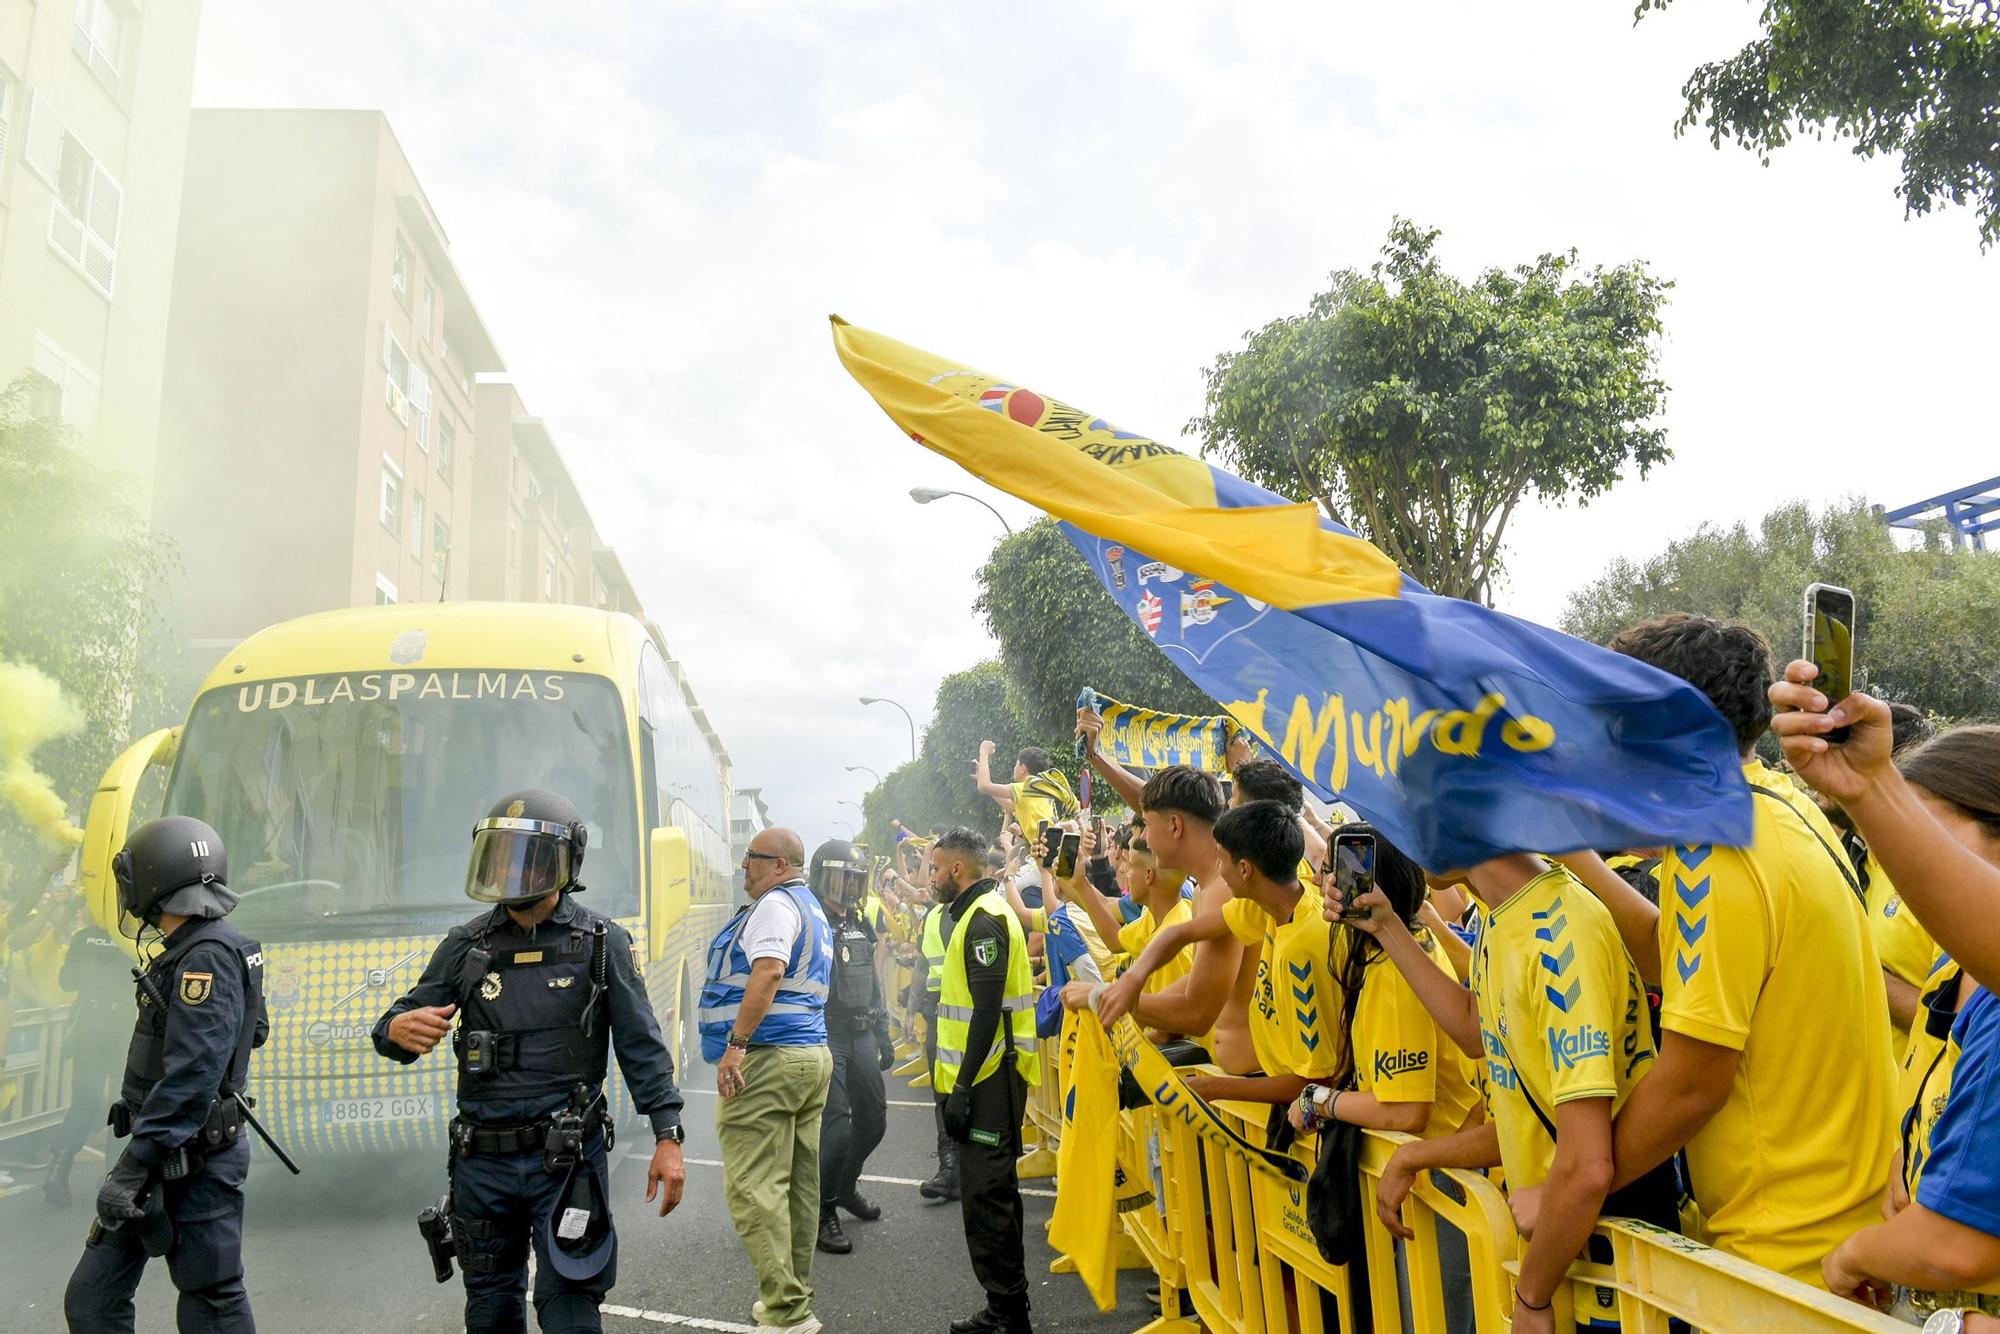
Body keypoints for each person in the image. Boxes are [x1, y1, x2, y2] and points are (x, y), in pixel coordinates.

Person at [1581, 614, 1895, 1288]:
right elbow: (1681, 963)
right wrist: (1578, 857)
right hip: (1836, 1240)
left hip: (1780, 1256)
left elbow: (1693, 1083)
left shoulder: (1711, 849)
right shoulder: (1776, 805)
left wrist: (1573, 1184)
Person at [373, 790, 687, 1334]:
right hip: (481, 1164)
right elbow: (404, 1018)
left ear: (565, 862)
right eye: (500, 857)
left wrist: (668, 1135)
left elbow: (642, 1046)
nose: (511, 873)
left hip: (564, 1162)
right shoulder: (466, 945)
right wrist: (392, 1029)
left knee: (569, 1307)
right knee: (491, 1311)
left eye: (528, 858)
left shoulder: (600, 943)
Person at [1356, 851, 1660, 1334]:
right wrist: (1388, 927)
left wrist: (1532, 1297)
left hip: (1609, 1275)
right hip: (1563, 1259)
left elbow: (1586, 1165)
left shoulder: (1561, 932)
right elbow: (1477, 1032)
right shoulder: (1505, 916)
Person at [1811, 727, 2000, 1320]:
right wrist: (1911, 1155)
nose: (1902, 859)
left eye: (1926, 832)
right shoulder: (1951, 966)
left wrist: (1854, 1255)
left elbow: (1956, 1248)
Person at [63, 816, 269, 1334]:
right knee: (92, 1300)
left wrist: (132, 1169)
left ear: (153, 880)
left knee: (211, 1302)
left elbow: (193, 1076)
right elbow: (256, 1030)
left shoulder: (206, 957)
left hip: (190, 1158)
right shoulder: (207, 949)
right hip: (159, 1148)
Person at [1295, 825, 1480, 1334]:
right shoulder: (1391, 949)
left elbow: (1405, 1110)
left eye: (1336, 871)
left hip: (1439, 1181)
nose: (1323, 880)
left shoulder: (1395, 971)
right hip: (1427, 1173)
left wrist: (1319, 1102)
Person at [1097, 801, 1340, 1108]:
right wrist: (1132, 980)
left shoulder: (1303, 947)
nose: (1217, 873)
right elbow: (1182, 933)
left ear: (1245, 869)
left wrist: (1216, 1088)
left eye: (1221, 862)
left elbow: (1314, 1082)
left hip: (1293, 1108)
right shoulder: (1267, 903)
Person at [699, 826, 834, 1334]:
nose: (743, 867)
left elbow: (770, 970)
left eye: (751, 858)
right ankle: (790, 1300)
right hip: (807, 1056)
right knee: (797, 1186)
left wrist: (736, 1045)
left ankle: (786, 1311)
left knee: (754, 1185)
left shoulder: (776, 907)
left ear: (780, 863)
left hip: (769, 1059)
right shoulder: (811, 906)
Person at [930, 827, 1041, 1334]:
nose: (930, 879)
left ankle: (1007, 1314)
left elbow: (986, 1012)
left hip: (989, 1078)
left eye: (935, 869)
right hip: (988, 1076)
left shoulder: (984, 920)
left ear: (958, 870)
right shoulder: (979, 913)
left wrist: (962, 1089)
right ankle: (1007, 1307)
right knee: (994, 1193)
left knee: (986, 1197)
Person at [807, 838, 893, 1256]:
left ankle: (845, 1187)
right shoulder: (809, 922)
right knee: (836, 1127)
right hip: (827, 1033)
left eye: (856, 880)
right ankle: (824, 1212)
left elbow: (874, 982)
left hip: (860, 1032)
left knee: (874, 1121)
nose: (849, 888)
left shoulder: (860, 923)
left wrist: (883, 1031)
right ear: (821, 878)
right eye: (842, 879)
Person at [44, 907, 136, 1209]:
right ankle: (113, 1177)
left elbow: (67, 981)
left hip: (89, 1030)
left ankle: (58, 1167)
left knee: (84, 1100)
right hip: (122, 1031)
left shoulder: (84, 938)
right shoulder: (131, 941)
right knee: (121, 1104)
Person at [915, 878, 960, 1204]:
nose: (930, 876)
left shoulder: (976, 914)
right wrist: (910, 1008)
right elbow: (921, 963)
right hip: (936, 1018)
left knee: (970, 1095)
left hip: (972, 1021)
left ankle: (969, 1168)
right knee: (942, 1096)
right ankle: (948, 1169)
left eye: (935, 868)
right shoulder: (932, 916)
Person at [973, 742, 1078, 847]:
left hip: (1045, 848)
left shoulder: (1025, 787)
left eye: (1016, 765)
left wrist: (984, 751)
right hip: (1052, 845)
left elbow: (984, 786)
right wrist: (980, 777)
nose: (1014, 768)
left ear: (1023, 768)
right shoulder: (1039, 789)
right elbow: (1009, 806)